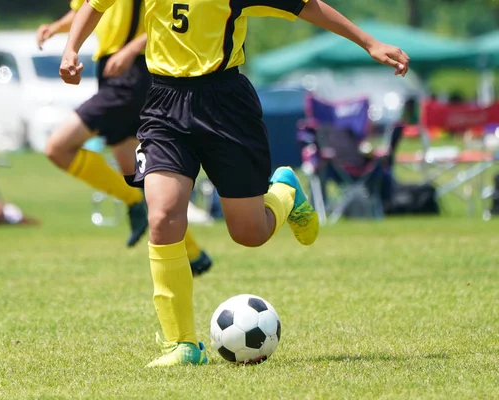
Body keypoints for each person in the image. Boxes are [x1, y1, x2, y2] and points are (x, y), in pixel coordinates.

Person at [60, 0, 410, 367]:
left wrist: (370, 43)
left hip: (225, 106)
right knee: (162, 216)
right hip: (164, 103)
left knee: (249, 232)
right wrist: (71, 49)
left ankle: (285, 191)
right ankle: (181, 345)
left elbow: (305, 6)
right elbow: (93, 5)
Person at [36, 0, 213, 275]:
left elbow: (166, 19)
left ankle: (132, 202)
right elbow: (86, 10)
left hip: (134, 72)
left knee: (58, 147)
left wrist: (132, 48)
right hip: (112, 71)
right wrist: (56, 28)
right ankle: (192, 253)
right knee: (138, 174)